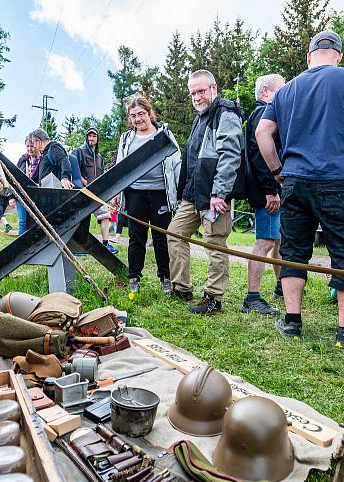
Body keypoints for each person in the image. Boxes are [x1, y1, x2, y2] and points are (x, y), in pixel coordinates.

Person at [257, 30, 344, 348]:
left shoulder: (286, 91)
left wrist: (278, 172)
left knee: (294, 252)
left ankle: (292, 322)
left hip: (295, 180)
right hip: (337, 179)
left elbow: (263, 132)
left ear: (309, 57)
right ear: (338, 55)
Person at [167, 69, 244, 314]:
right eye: (192, 93)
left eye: (201, 91)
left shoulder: (226, 113)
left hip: (214, 195)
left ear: (214, 88)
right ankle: (182, 287)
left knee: (215, 243)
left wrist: (220, 193)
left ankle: (213, 297)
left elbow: (230, 155)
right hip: (193, 193)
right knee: (175, 232)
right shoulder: (199, 118)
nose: (197, 97)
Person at [116, 96, 181, 294]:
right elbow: (120, 167)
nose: (138, 119)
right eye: (133, 116)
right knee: (136, 237)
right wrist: (117, 191)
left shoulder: (164, 133)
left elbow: (177, 161)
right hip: (136, 193)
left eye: (141, 114)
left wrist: (180, 192)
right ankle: (134, 277)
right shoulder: (127, 139)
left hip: (161, 193)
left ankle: (165, 278)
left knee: (161, 237)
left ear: (149, 113)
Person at [243, 74, 286, 315]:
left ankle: (281, 285)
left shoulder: (262, 113)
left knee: (278, 239)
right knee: (266, 241)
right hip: (266, 191)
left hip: (268, 188)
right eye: (282, 89)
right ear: (267, 92)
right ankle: (252, 296)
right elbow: (259, 155)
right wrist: (271, 190)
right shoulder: (263, 113)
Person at [72, 127, 117, 254]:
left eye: (94, 136)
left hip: (96, 194)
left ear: (97, 139)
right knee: (80, 220)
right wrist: (82, 181)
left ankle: (106, 244)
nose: (91, 138)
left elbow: (101, 175)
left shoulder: (99, 157)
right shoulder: (79, 151)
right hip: (82, 192)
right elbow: (74, 169)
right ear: (86, 137)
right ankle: (77, 248)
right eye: (89, 136)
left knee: (105, 216)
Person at [15, 133, 40, 234]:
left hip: (36, 196)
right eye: (28, 146)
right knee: (22, 222)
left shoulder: (43, 160)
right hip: (22, 195)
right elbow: (14, 178)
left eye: (32, 146)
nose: (30, 149)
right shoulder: (22, 160)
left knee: (35, 223)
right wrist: (11, 196)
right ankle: (21, 245)